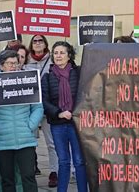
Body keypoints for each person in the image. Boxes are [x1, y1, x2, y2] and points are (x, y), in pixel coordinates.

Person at [0, 50, 43, 192]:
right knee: (7, 179)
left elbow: (38, 108)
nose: (13, 66)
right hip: (3, 139)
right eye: (9, 63)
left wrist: (30, 125)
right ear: (2, 66)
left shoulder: (28, 79)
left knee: (28, 177)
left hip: (25, 138)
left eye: (16, 63)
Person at [41, 41, 88, 192]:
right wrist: (59, 112)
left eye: (62, 53)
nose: (58, 56)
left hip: (76, 124)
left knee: (80, 161)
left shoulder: (79, 73)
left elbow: (86, 95)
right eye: (55, 53)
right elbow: (44, 101)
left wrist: (75, 113)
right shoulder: (47, 77)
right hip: (57, 124)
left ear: (69, 56)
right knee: (63, 161)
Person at [24, 35, 58, 187]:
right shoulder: (24, 61)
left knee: (51, 143)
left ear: (45, 44)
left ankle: (54, 172)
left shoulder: (52, 61)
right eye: (35, 41)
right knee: (29, 143)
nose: (37, 43)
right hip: (29, 109)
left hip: (48, 108)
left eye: (40, 41)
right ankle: (29, 170)